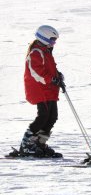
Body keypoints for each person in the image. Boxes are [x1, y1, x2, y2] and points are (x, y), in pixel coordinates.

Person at [13, 25, 63, 158]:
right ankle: (26, 144)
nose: (54, 43)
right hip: (39, 90)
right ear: (44, 37)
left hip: (49, 89)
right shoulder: (36, 52)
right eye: (52, 40)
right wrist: (51, 79)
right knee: (43, 116)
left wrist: (58, 76)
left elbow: (50, 68)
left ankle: (39, 143)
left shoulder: (46, 51)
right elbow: (36, 72)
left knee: (52, 116)